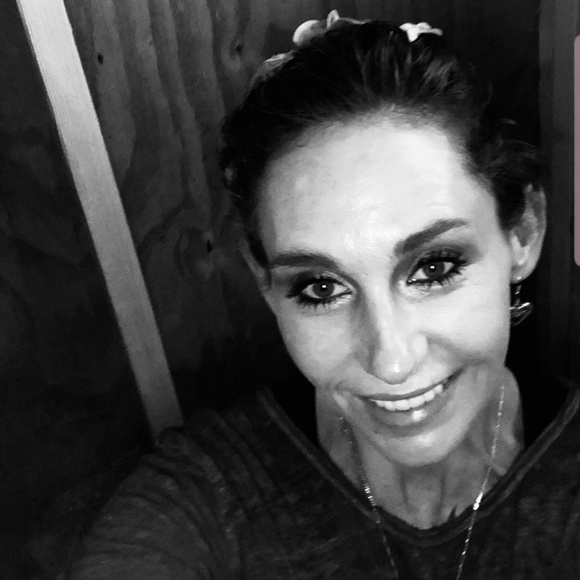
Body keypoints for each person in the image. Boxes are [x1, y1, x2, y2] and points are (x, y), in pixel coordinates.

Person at [70, 12, 580, 579]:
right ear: (266, 283)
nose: (391, 362)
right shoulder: (203, 497)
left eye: (434, 268)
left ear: (522, 235)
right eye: (321, 287)